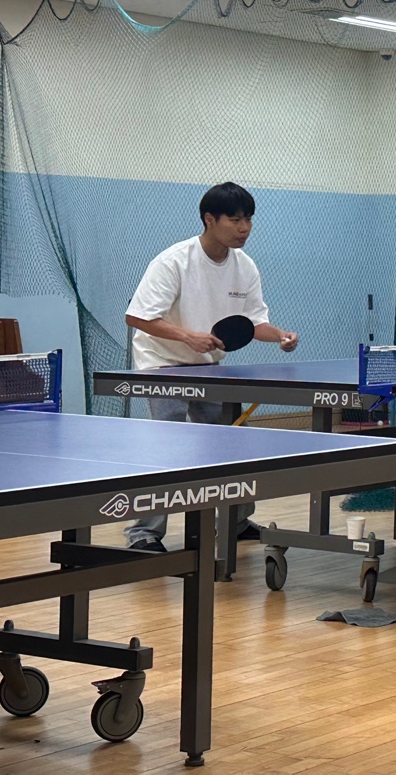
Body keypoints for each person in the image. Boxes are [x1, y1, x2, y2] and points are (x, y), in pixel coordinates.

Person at [122, 182, 298, 552]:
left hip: (208, 368)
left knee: (236, 442)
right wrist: (187, 336)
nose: (244, 228)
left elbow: (254, 323)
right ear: (209, 220)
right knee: (165, 449)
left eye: (248, 219)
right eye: (235, 220)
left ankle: (236, 521)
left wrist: (280, 335)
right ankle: (144, 534)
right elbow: (137, 317)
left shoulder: (245, 266)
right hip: (162, 365)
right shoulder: (173, 261)